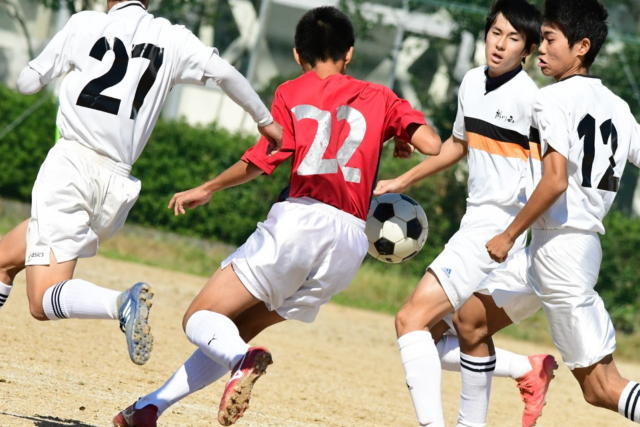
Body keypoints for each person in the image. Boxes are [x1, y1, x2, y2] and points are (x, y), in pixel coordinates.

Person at [112, 6, 441, 426]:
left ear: (298, 55)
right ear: (350, 53)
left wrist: (208, 187)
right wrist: (400, 133)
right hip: (349, 244)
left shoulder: (291, 92)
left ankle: (241, 361)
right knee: (238, 329)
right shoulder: (381, 97)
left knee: (199, 318)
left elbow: (261, 159)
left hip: (299, 223)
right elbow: (432, 144)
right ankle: (149, 408)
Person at [0, 0, 281, 366]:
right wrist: (264, 120)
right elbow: (226, 73)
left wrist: (55, 68)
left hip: (70, 169)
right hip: (117, 186)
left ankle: (120, 303)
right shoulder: (173, 38)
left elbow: (26, 83)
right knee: (4, 259)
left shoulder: (84, 23)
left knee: (42, 299)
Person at [373, 1, 557, 425]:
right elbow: (458, 145)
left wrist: (516, 233)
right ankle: (526, 369)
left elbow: (554, 174)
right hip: (478, 225)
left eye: (514, 38)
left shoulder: (534, 101)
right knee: (441, 336)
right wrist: (404, 180)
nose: (500, 44)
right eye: (496, 33)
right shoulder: (472, 81)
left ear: (528, 49)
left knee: (410, 320)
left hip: (498, 231)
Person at [459, 0, 640, 424]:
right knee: (469, 320)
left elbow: (555, 181)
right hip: (552, 249)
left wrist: (508, 234)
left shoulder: (551, 99)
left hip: (562, 254)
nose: (540, 48)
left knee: (600, 388)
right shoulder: (618, 106)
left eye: (550, 39)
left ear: (582, 47)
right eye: (541, 39)